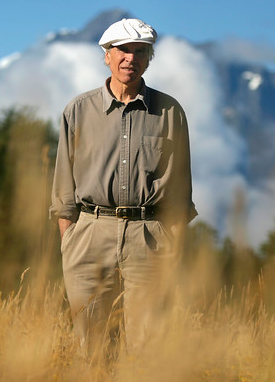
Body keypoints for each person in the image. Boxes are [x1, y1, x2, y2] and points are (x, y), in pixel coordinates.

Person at [50, 18, 197, 355]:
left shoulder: (169, 112)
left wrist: (169, 240)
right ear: (107, 55)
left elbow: (179, 188)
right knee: (91, 347)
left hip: (150, 237)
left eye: (140, 52)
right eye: (123, 50)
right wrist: (70, 236)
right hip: (88, 234)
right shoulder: (79, 110)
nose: (131, 58)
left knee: (147, 348)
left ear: (149, 59)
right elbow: (63, 186)